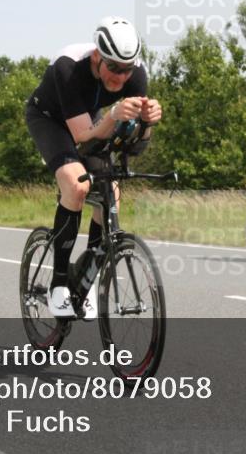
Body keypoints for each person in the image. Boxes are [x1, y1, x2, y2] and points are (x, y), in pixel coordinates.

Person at [26, 17, 163, 318]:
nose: (120, 77)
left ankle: (83, 282)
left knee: (110, 196)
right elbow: (83, 140)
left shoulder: (136, 75)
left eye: (126, 69)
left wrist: (148, 124)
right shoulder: (69, 68)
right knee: (77, 185)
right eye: (113, 67)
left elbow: (137, 147)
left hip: (90, 121)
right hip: (50, 119)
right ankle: (59, 285)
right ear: (97, 57)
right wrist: (113, 114)